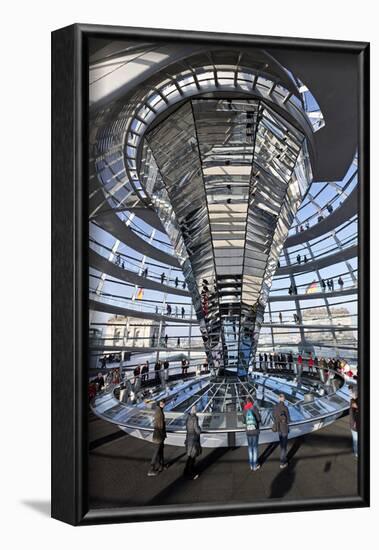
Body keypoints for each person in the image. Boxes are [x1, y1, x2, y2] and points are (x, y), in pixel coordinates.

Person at [148, 400, 167, 476]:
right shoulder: (159, 412)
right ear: (159, 404)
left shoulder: (159, 410)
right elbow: (160, 425)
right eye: (162, 403)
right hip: (159, 435)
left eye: (164, 403)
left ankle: (161, 465)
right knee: (157, 452)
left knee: (160, 450)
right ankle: (151, 469)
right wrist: (164, 423)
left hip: (159, 434)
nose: (163, 404)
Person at [243, 397, 261, 471]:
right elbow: (259, 419)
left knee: (250, 448)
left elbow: (244, 421)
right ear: (251, 402)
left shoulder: (244, 410)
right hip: (255, 431)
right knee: (255, 448)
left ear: (246, 402)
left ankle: (251, 465)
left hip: (248, 432)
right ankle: (255, 465)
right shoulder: (254, 408)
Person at [184, 405, 202, 479]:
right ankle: (190, 472)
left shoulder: (188, 417)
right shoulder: (195, 418)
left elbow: (187, 427)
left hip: (188, 438)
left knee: (190, 456)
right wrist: (200, 429)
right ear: (194, 411)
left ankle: (187, 470)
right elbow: (197, 429)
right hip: (194, 439)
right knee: (192, 457)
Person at [273, 393, 291, 468]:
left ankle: (283, 457)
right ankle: (282, 462)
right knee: (284, 446)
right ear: (283, 399)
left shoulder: (275, 407)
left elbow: (273, 416)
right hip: (284, 428)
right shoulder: (285, 408)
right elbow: (288, 420)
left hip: (278, 428)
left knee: (281, 444)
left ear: (278, 398)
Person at [350, 388, 358, 458]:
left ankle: (356, 453)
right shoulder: (353, 402)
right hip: (354, 427)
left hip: (355, 426)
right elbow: (354, 405)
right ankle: (356, 453)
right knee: (355, 441)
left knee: (356, 441)